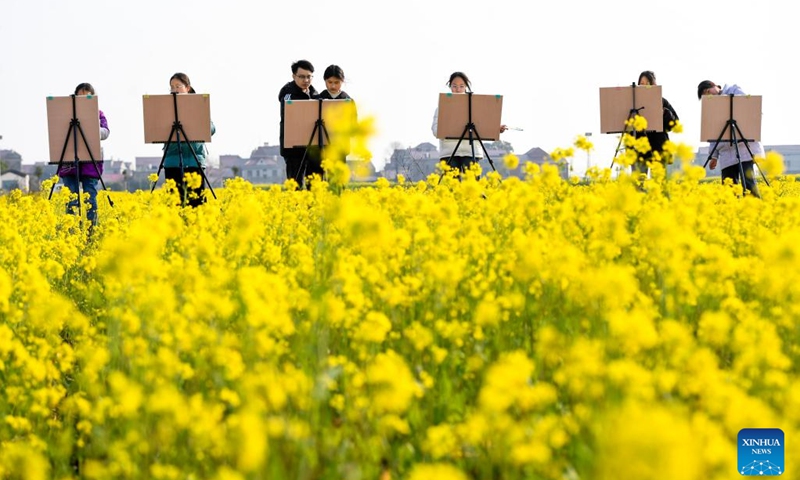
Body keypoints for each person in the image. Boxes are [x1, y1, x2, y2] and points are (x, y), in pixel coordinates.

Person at [431, 71, 507, 177]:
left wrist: (495, 128)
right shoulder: (441, 108)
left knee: (472, 185)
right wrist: (446, 126)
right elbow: (435, 131)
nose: (458, 89)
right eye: (454, 86)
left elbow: (483, 124)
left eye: (461, 86)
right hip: (450, 152)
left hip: (471, 151)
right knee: (453, 186)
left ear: (466, 87)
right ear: (450, 87)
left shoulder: (475, 106)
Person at [697, 80, 762, 198]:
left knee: (748, 184)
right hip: (726, 153)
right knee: (729, 188)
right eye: (706, 96)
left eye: (708, 91)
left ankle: (755, 210)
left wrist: (726, 102)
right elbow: (714, 133)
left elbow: (748, 106)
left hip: (743, 148)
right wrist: (714, 156)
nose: (710, 96)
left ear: (714, 85)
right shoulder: (712, 108)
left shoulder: (733, 90)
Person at [59, 82, 109, 226]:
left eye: (86, 97)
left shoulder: (98, 114)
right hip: (69, 162)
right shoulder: (66, 114)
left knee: (90, 199)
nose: (83, 100)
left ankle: (90, 231)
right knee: (71, 200)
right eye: (79, 97)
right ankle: (72, 231)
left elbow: (105, 133)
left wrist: (91, 125)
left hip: (91, 163)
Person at [163, 72, 215, 207]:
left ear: (188, 88)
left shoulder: (198, 105)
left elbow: (212, 129)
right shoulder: (164, 106)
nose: (174, 90)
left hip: (194, 160)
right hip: (172, 161)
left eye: (178, 86)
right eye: (172, 87)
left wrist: (198, 123)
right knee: (174, 205)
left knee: (196, 203)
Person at [278, 59, 320, 189]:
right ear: (293, 76)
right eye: (302, 77)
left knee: (315, 185)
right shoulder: (288, 92)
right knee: (296, 186)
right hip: (293, 147)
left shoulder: (314, 93)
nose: (306, 80)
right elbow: (289, 108)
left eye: (309, 77)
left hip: (313, 146)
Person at [633, 71, 679, 177]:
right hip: (639, 148)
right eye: (642, 83)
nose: (645, 86)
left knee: (659, 185)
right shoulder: (632, 102)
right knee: (638, 186)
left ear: (654, 84)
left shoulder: (662, 101)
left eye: (648, 83)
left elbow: (675, 123)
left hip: (658, 147)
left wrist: (665, 112)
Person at [318, 64, 356, 164]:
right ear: (325, 81)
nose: (333, 86)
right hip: (321, 147)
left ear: (342, 81)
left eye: (337, 82)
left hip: (341, 147)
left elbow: (353, 126)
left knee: (338, 177)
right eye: (330, 82)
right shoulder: (318, 99)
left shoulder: (348, 101)